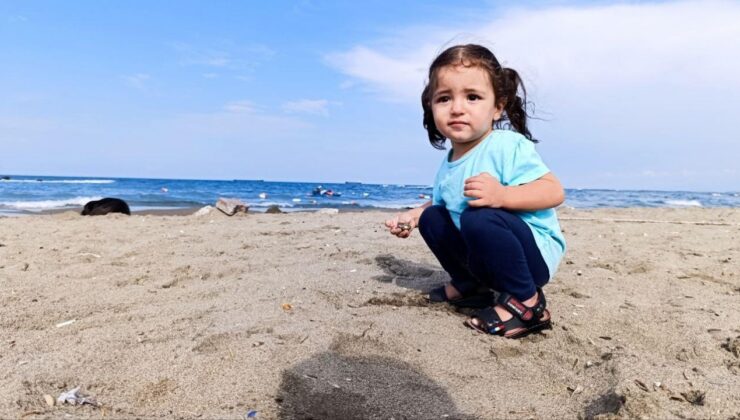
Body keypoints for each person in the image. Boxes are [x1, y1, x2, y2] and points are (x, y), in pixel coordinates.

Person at [385, 44, 566, 339]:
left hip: (531, 256)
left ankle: (529, 303)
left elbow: (554, 191)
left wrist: (503, 196)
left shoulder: (506, 146)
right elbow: (446, 200)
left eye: (472, 97)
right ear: (431, 106)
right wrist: (415, 215)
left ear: (497, 107)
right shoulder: (448, 163)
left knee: (478, 217)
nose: (457, 108)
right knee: (434, 216)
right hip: (487, 256)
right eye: (444, 98)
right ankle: (472, 285)